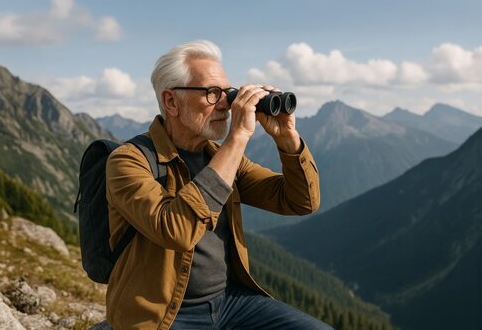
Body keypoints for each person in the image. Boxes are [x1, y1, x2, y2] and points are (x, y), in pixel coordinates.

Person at [105, 40, 330, 329]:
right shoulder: (128, 161)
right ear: (171, 101)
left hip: (231, 302)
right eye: (212, 93)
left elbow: (300, 201)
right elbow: (177, 231)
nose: (226, 103)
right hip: (164, 314)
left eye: (228, 92)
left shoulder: (218, 156)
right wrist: (237, 138)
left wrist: (287, 140)